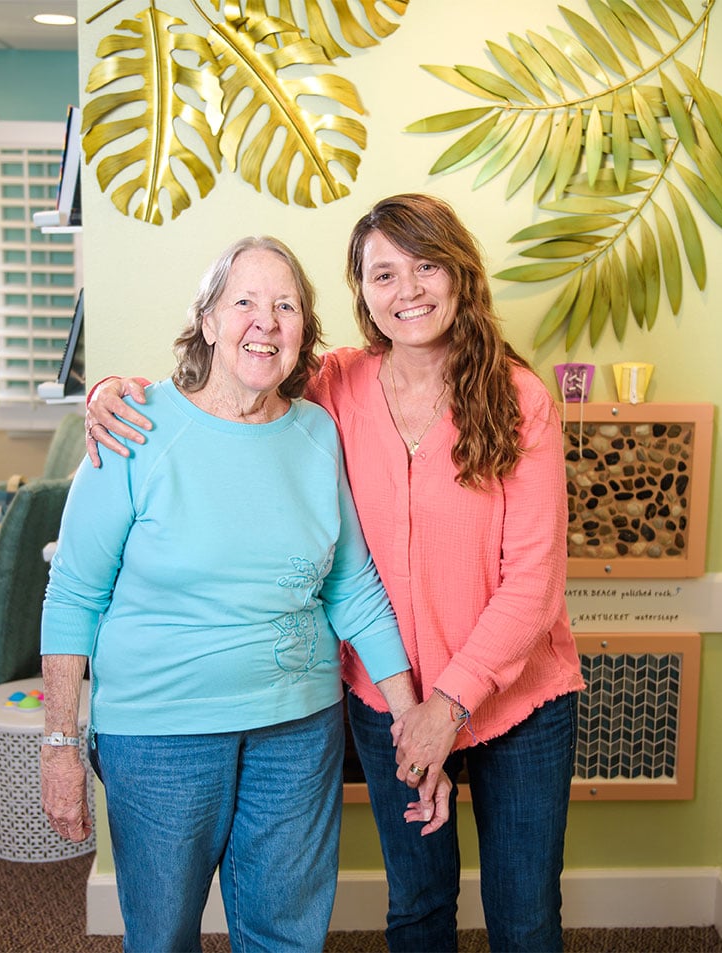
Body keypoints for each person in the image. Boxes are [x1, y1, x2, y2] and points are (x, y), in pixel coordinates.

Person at [86, 195, 585, 952]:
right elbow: (237, 380)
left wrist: (444, 709)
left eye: (425, 266)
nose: (407, 289)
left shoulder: (521, 400)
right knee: (418, 904)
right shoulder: (337, 387)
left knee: (524, 917)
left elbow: (534, 582)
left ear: (460, 275)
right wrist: (116, 395)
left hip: (516, 702)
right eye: (384, 273)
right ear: (362, 292)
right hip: (389, 698)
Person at [39, 235, 451, 953]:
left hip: (297, 731)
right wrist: (58, 746)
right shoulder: (135, 426)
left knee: (287, 939)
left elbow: (352, 587)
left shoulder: (316, 433)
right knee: (163, 937)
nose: (266, 321)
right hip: (158, 735)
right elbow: (74, 595)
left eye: (285, 305)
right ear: (206, 319)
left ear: (303, 332)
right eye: (245, 302)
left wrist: (411, 715)